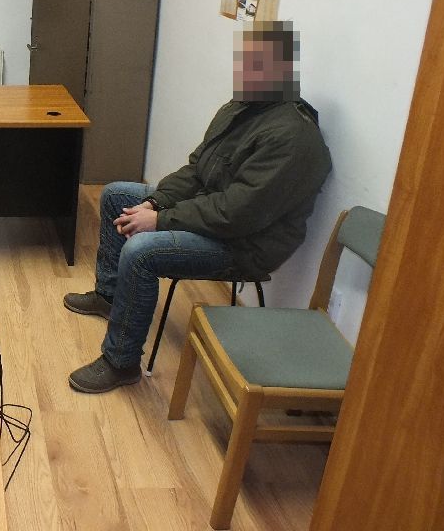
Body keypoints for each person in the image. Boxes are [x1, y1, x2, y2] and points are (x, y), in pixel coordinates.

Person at [65, 20, 331, 394]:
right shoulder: (241, 108)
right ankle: (109, 297)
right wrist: (155, 201)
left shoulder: (292, 138)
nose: (244, 72)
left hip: (244, 244)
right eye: (245, 62)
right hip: (214, 212)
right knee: (117, 195)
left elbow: (236, 214)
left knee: (141, 251)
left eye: (257, 65)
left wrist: (160, 220)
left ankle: (121, 362)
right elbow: (197, 170)